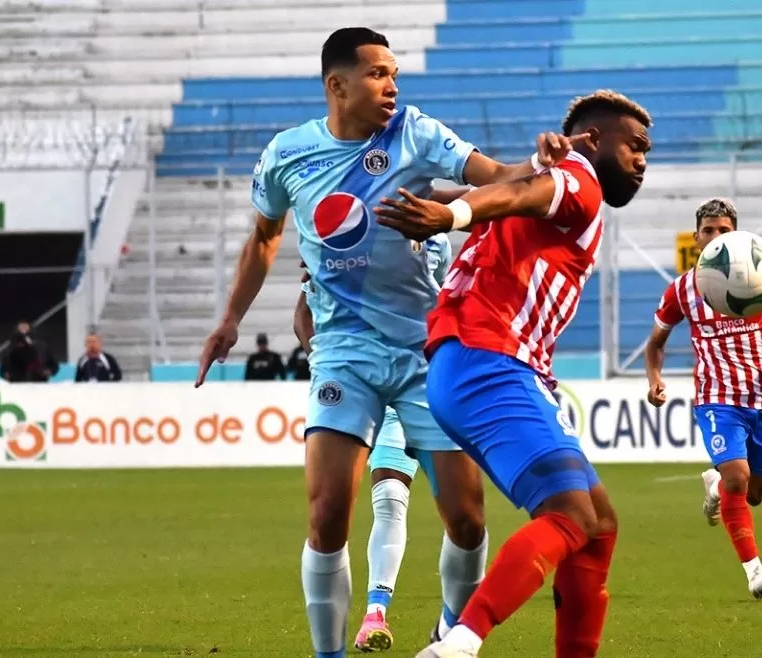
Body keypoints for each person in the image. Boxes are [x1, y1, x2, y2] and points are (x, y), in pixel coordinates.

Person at [194, 27, 576, 658]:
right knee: (326, 516)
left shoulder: (416, 133)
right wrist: (231, 318)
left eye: (395, 74)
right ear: (336, 85)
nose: (392, 86)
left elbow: (500, 176)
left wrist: (543, 162)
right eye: (377, 74)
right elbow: (265, 237)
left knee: (467, 518)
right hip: (344, 346)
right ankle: (330, 654)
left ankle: (449, 631)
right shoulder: (288, 155)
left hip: (430, 351)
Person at [375, 89, 651, 658]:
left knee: (598, 525)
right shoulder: (579, 178)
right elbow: (526, 190)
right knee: (570, 513)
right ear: (594, 141)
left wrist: (437, 203)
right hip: (490, 359)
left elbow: (506, 191)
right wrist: (452, 214)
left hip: (480, 363)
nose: (643, 161)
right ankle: (458, 644)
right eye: (636, 146)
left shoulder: (554, 176)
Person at [644, 197, 762, 599]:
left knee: (753, 493)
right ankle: (754, 571)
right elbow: (655, 344)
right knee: (738, 478)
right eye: (708, 231)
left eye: (724, 230)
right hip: (716, 400)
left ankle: (714, 485)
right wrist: (654, 379)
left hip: (761, 399)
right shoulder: (682, 290)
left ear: (735, 234)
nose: (715, 237)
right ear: (697, 237)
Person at [294, 235, 453, 652]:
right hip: (360, 377)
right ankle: (375, 613)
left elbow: (443, 307)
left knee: (459, 514)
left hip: (415, 380)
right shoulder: (345, 229)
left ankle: (448, 623)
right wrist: (327, 360)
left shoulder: (436, 239)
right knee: (382, 499)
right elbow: (303, 313)